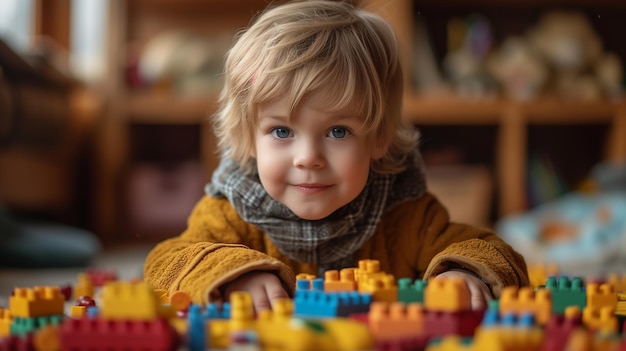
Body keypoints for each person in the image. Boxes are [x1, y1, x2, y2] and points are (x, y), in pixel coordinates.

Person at [144, 0, 529, 312]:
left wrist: (462, 273)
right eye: (282, 131)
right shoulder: (230, 212)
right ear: (248, 139)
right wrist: (232, 273)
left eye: (337, 132)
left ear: (378, 139)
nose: (308, 158)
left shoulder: (403, 212)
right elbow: (165, 262)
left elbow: (490, 249)